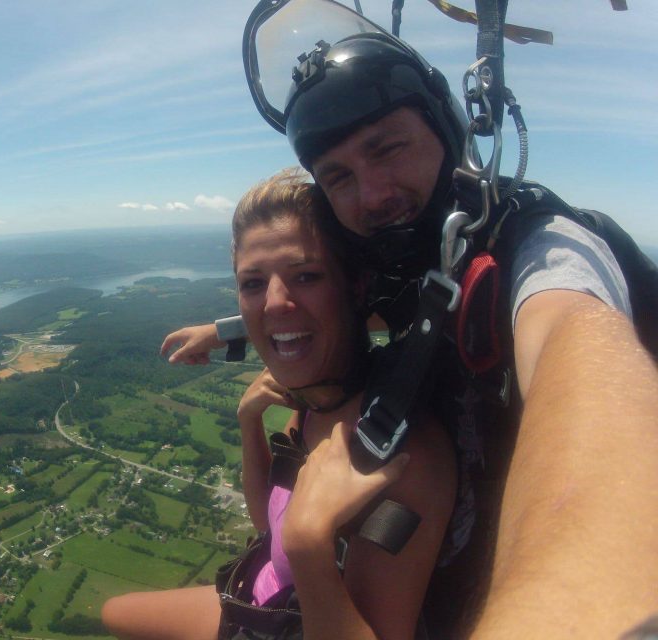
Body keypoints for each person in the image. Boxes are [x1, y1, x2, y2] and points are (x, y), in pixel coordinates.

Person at [160, 2, 658, 637]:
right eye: (338, 177)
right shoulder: (414, 260)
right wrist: (228, 332)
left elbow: (576, 350)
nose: (371, 194)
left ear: (445, 132)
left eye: (387, 147)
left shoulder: (546, 248)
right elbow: (341, 308)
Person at [104, 170, 455, 640]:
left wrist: (310, 547)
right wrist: (250, 423)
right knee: (114, 612)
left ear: (356, 286)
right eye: (252, 284)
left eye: (306, 275)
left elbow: (300, 549)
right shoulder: (313, 400)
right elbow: (271, 530)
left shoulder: (399, 458)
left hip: (294, 622)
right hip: (263, 596)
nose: (273, 302)